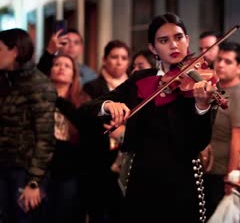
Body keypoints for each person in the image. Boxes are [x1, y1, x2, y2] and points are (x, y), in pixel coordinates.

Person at [78, 12, 215, 223]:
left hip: (183, 180)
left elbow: (199, 141)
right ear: (153, 48)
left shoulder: (199, 83)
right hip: (143, 179)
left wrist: (202, 106)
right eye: (163, 40)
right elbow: (87, 108)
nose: (173, 45)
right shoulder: (141, 79)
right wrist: (108, 105)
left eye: (178, 37)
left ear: (187, 40)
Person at [0, 28, 57, 222]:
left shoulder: (38, 84)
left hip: (24, 171)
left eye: (0, 49)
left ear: (14, 51)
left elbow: (45, 138)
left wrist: (34, 181)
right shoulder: (4, 80)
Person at [203, 41, 240, 220]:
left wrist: (231, 179)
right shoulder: (217, 89)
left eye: (227, 61)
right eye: (219, 59)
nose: (220, 65)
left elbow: (238, 140)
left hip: (223, 173)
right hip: (209, 170)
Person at [80, 39, 130, 222]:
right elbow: (85, 119)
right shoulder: (92, 87)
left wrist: (124, 131)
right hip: (98, 161)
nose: (119, 62)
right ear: (104, 60)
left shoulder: (135, 88)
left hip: (126, 160)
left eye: (123, 58)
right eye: (114, 57)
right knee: (98, 213)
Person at [46, 54, 88, 222]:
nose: (61, 68)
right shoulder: (39, 100)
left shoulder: (82, 102)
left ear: (73, 75)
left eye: (67, 66)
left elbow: (86, 140)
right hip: (43, 169)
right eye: (57, 64)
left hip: (70, 172)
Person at [199, 31, 240, 125]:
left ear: (221, 49)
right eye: (201, 49)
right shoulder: (207, 72)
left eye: (209, 48)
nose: (203, 53)